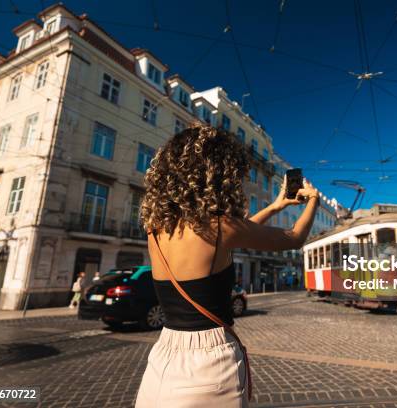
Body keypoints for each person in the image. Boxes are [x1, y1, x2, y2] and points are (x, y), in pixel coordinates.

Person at [135, 123, 318, 407]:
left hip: (162, 358)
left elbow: (231, 236)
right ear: (219, 173)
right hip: (209, 365)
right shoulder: (220, 226)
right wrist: (313, 201)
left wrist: (274, 207)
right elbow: (294, 238)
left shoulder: (157, 226)